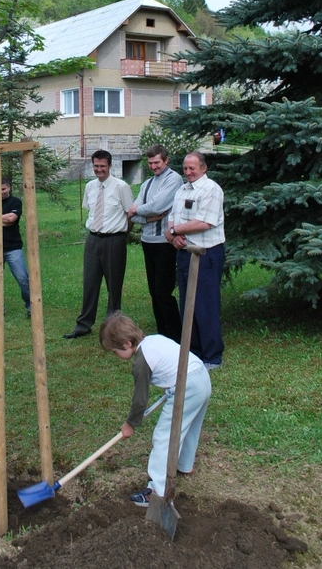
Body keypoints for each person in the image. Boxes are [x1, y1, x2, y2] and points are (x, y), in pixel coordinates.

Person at [99, 311, 211, 506]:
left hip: (187, 386)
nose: (116, 356)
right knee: (190, 425)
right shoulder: (154, 339)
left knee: (163, 436)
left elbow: (140, 400)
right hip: (201, 376)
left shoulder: (142, 362)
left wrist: (130, 423)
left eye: (115, 351)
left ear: (126, 344)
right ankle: (184, 465)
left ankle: (157, 492)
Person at [165, 151, 225, 369]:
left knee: (205, 305)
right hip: (184, 253)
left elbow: (205, 222)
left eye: (192, 168)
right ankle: (194, 352)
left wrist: (174, 230)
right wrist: (172, 236)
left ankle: (212, 356)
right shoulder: (182, 190)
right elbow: (172, 217)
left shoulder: (211, 190)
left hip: (206, 255)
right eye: (185, 168)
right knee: (187, 304)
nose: (188, 172)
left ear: (203, 168)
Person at [64, 149, 133, 339]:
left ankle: (113, 328)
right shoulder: (90, 187)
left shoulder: (121, 187)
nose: (99, 169)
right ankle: (83, 325)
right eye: (96, 166)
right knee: (90, 283)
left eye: (102, 166)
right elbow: (91, 212)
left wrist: (121, 235)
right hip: (93, 239)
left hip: (114, 240)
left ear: (110, 166)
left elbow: (130, 214)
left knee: (114, 285)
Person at [128, 145, 183, 342]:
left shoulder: (173, 179)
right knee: (153, 291)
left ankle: (175, 335)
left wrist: (140, 211)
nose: (153, 166)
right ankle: (162, 335)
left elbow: (157, 206)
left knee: (163, 292)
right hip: (147, 241)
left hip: (164, 243)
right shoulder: (147, 183)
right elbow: (133, 213)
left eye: (157, 162)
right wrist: (148, 217)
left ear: (166, 161)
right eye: (150, 163)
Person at [0, 178, 31, 318]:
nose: (2, 192)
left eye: (4, 189)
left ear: (9, 188)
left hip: (13, 247)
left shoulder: (15, 201)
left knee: (23, 278)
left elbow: (12, 218)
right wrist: (2, 220)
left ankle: (30, 306)